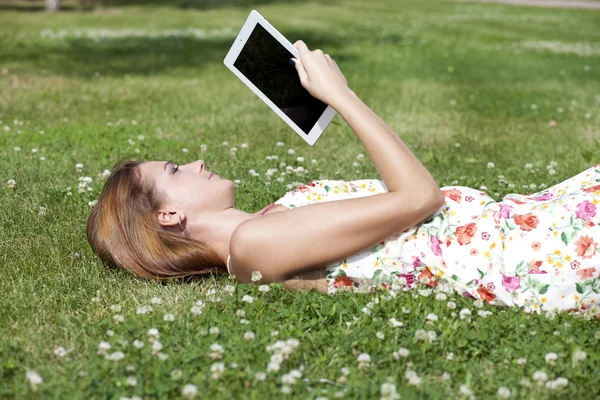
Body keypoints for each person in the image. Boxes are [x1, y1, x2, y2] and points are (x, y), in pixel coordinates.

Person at [87, 40, 600, 316]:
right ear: (168, 215)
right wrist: (340, 95)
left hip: (526, 225)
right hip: (530, 250)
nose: (195, 163)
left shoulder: (267, 227)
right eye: (175, 171)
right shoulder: (252, 247)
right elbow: (419, 197)